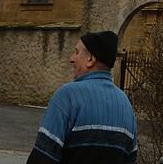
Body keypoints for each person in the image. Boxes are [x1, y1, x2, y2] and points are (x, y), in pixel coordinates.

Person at [27, 31, 138, 164]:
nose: (71, 58)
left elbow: (43, 157)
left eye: (77, 52)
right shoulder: (126, 104)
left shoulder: (67, 96)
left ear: (91, 59)